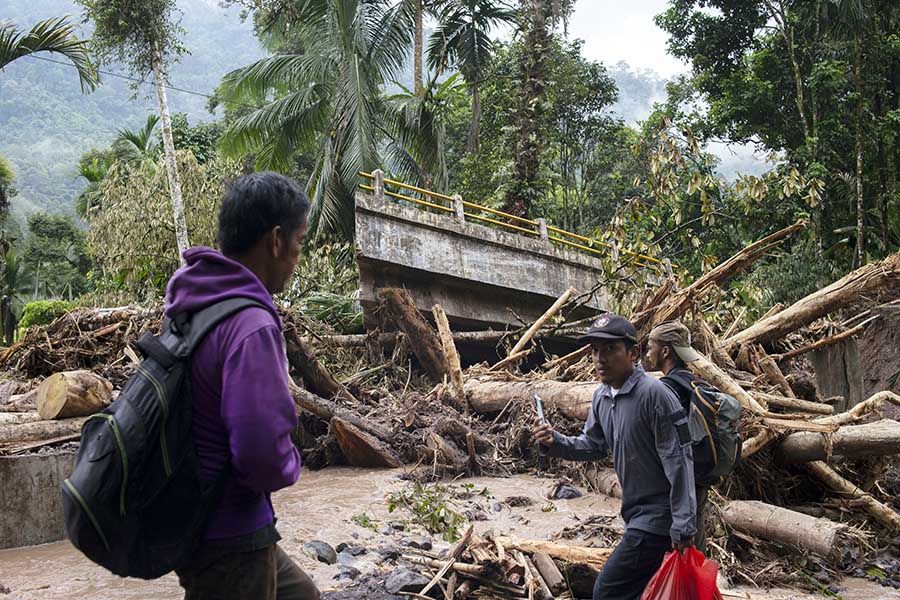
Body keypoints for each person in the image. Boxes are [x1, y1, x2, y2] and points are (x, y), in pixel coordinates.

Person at [165, 172, 320, 600]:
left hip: (191, 517)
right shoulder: (250, 325)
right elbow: (260, 453)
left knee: (301, 595)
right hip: (231, 529)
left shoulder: (194, 304)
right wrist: (292, 462)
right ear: (275, 241)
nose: (298, 256)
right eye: (299, 241)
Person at [532, 314, 696, 600]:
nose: (600, 358)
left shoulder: (656, 395)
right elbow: (593, 445)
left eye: (610, 349)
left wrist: (683, 525)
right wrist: (554, 441)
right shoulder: (602, 397)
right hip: (634, 516)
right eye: (595, 350)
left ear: (633, 353)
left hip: (658, 519)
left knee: (607, 591)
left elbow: (679, 461)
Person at [645, 321, 713, 555]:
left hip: (677, 485)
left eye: (650, 347)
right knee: (696, 550)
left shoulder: (665, 390)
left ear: (665, 352)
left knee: (672, 551)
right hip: (701, 478)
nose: (647, 352)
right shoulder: (698, 384)